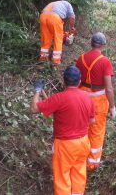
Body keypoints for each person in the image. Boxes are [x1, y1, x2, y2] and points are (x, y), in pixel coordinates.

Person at [30, 66, 95, 195]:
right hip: (83, 143)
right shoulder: (87, 97)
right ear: (80, 80)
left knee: (62, 178)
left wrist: (37, 91)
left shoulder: (59, 98)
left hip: (65, 146)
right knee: (79, 174)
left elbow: (33, 109)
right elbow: (92, 121)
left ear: (64, 80)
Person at [75, 32, 116, 171]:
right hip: (97, 101)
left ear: (91, 43)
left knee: (82, 129)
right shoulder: (105, 61)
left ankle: (80, 159)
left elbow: (76, 81)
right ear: (103, 45)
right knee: (96, 131)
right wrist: (112, 107)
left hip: (80, 99)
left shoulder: (80, 58)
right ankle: (92, 163)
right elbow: (109, 88)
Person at [39, 0, 76, 65]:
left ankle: (43, 58)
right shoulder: (67, 4)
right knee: (58, 39)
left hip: (42, 17)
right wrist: (72, 27)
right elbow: (72, 17)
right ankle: (56, 61)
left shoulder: (53, 3)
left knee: (46, 38)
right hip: (54, 18)